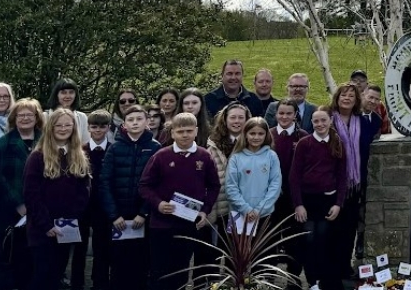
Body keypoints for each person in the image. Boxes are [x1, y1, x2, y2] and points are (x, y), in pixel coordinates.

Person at [138, 112, 221, 290]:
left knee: (182, 271)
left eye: (189, 131)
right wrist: (158, 203)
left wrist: (204, 210)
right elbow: (144, 186)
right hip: (161, 225)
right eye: (180, 131)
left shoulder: (204, 156)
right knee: (159, 270)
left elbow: (214, 186)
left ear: (196, 131)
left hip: (188, 225)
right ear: (173, 132)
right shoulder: (161, 156)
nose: (185, 135)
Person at [23, 108, 92, 290]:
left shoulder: (79, 156)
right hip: (42, 229)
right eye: (58, 125)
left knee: (57, 276)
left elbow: (84, 192)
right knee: (41, 276)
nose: (63, 129)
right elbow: (31, 195)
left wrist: (70, 220)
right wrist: (46, 224)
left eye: (67, 125)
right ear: (50, 128)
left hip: (66, 228)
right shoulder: (37, 157)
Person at [0, 98, 43, 290]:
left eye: (29, 115)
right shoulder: (1, 144)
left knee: (35, 264)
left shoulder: (47, 142)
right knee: (5, 263)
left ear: (36, 117)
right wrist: (18, 203)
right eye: (20, 115)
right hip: (7, 211)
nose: (24, 118)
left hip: (40, 211)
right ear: (14, 118)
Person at [99, 104, 160, 290]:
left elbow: (158, 184)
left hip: (142, 218)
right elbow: (104, 182)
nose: (135, 123)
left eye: (139, 119)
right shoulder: (115, 148)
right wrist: (113, 215)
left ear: (146, 122)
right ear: (124, 124)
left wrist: (144, 213)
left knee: (141, 263)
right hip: (119, 218)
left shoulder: (155, 148)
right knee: (118, 263)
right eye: (130, 120)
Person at [292, 107, 348, 290]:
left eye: (323, 120)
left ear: (330, 121)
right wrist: (298, 204)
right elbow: (294, 177)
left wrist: (338, 204)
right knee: (309, 240)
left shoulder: (337, 143)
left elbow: (342, 177)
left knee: (325, 241)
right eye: (316, 121)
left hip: (328, 202)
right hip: (308, 201)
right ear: (312, 123)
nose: (320, 124)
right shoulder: (304, 144)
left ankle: (327, 281)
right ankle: (312, 280)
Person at [328, 83, 381, 270]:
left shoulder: (363, 120)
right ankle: (330, 269)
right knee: (333, 228)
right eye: (343, 95)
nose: (347, 98)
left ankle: (344, 266)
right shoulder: (328, 119)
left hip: (355, 184)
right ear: (337, 97)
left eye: (351, 95)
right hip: (332, 182)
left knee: (349, 228)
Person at [269, 99, 310, 286]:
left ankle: (293, 279)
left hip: (295, 198)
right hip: (271, 198)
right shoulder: (267, 136)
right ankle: (267, 278)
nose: (284, 117)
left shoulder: (303, 137)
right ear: (276, 115)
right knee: (270, 238)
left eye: (288, 113)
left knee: (295, 240)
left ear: (295, 115)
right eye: (281, 113)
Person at [72, 110, 112, 290]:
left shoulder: (113, 149)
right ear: (88, 128)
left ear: (108, 128)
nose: (98, 130)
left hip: (103, 206)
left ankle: (100, 283)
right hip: (82, 206)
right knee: (78, 247)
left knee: (101, 247)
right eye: (94, 126)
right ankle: (77, 283)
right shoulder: (80, 150)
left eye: (102, 126)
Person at [226, 117, 283, 233]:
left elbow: (275, 185)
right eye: (252, 133)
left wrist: (259, 210)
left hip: (264, 214)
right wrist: (245, 209)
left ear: (266, 135)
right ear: (245, 134)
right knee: (239, 250)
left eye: (260, 134)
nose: (256, 137)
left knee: (263, 249)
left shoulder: (271, 156)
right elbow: (231, 186)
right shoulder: (236, 158)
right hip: (239, 213)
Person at [45, 79, 90, 144]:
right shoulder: (45, 116)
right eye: (63, 92)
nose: (68, 96)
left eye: (71, 92)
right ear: (56, 95)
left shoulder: (82, 117)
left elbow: (85, 143)